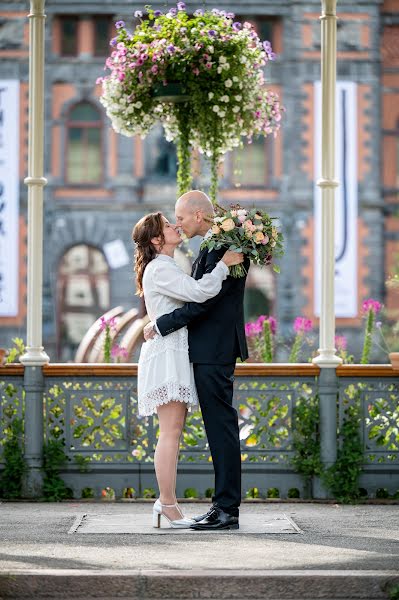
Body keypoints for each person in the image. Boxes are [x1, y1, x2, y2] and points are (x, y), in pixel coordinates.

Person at [144, 191, 250, 531]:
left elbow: (205, 300)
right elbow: (199, 294)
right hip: (204, 349)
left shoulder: (222, 247)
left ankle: (226, 509)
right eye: (172, 221)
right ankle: (221, 505)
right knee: (215, 428)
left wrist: (160, 325)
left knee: (220, 427)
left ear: (199, 216)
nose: (179, 223)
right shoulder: (210, 246)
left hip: (214, 349)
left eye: (182, 217)